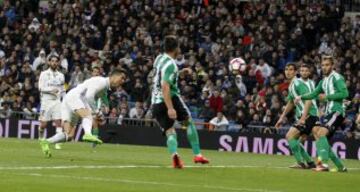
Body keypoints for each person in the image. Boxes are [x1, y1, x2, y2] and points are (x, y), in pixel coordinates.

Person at [39, 69, 127, 157]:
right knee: (88, 115)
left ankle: (46, 142)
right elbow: (89, 96)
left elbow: (93, 99)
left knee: (69, 135)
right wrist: (97, 112)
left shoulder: (105, 88)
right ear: (114, 76)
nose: (123, 81)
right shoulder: (102, 82)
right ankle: (87, 134)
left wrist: (99, 113)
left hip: (69, 100)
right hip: (75, 97)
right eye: (122, 78)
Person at [151, 35, 209, 169]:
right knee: (189, 123)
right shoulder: (171, 65)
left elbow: (162, 76)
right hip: (170, 98)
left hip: (155, 102)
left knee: (170, 131)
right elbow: (165, 85)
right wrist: (170, 108)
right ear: (176, 48)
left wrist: (180, 72)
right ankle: (198, 154)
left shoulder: (159, 59)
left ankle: (175, 156)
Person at [295, 55, 348, 172]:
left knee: (321, 132)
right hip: (329, 113)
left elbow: (345, 93)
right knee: (318, 134)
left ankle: (323, 164)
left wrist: (327, 97)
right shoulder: (323, 81)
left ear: (332, 66)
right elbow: (313, 93)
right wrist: (300, 96)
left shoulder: (337, 78)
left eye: (327, 65)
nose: (324, 67)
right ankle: (340, 166)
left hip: (337, 111)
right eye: (323, 65)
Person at [275, 63, 316, 169]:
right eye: (286, 69)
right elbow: (291, 102)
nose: (288, 71)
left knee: (289, 136)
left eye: (291, 69)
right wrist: (281, 117)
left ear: (295, 72)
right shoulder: (292, 84)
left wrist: (303, 117)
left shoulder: (298, 83)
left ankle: (300, 163)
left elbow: (308, 99)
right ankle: (310, 163)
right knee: (296, 140)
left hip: (308, 115)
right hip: (306, 116)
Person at [38, 53, 65, 150]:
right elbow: (40, 88)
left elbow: (63, 90)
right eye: (52, 61)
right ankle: (41, 137)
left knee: (58, 122)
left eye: (56, 61)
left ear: (58, 63)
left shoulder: (61, 75)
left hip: (57, 101)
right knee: (43, 125)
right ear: (49, 62)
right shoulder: (44, 74)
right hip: (46, 101)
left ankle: (57, 143)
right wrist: (51, 90)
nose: (54, 63)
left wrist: (65, 101)